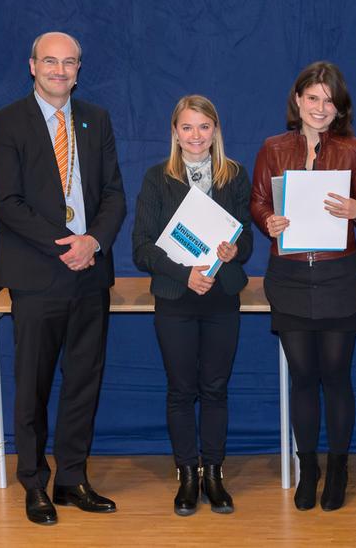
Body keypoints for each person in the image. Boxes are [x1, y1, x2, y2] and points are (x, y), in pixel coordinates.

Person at [0, 32, 126, 525]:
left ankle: (72, 479)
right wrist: (64, 245)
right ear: (32, 66)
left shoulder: (97, 119)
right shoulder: (7, 122)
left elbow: (114, 195)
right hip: (37, 273)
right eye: (51, 61)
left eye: (69, 63)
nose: (60, 70)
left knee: (84, 381)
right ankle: (34, 483)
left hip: (91, 271)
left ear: (79, 69)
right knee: (34, 384)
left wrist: (92, 242)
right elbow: (8, 204)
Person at [250, 61, 356, 511]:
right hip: (287, 276)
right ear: (298, 100)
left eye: (329, 100)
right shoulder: (272, 147)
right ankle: (309, 467)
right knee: (303, 378)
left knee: (336, 377)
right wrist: (268, 220)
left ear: (339, 107)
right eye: (313, 98)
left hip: (338, 275)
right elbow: (258, 202)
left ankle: (339, 467)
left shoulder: (354, 149)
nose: (321, 108)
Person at [132, 95, 253, 516]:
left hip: (221, 297)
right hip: (177, 297)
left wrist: (232, 250)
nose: (196, 135)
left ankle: (214, 474)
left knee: (216, 389)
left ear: (215, 131)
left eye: (204, 127)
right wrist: (186, 275)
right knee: (182, 390)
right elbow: (141, 247)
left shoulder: (235, 176)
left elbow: (248, 240)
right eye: (187, 127)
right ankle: (187, 473)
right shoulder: (156, 179)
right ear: (175, 133)